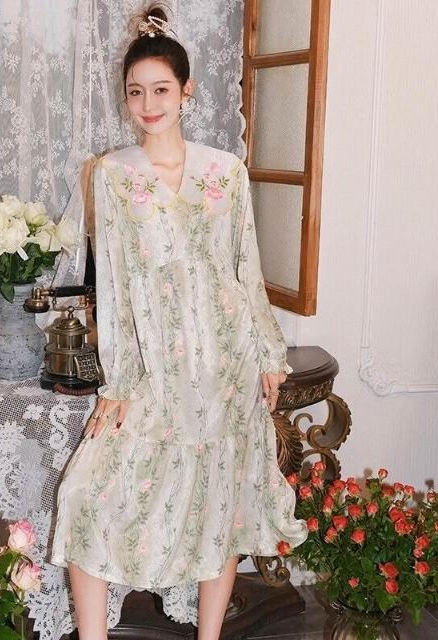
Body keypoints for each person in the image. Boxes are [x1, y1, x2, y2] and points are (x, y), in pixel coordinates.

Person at [50, 5, 307, 639]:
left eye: (160, 89)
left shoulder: (226, 171)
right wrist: (117, 381)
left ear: (187, 91)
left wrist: (269, 352)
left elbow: (247, 267)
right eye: (135, 91)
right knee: (86, 495)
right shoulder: (112, 175)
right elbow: (111, 285)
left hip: (226, 363)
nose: (147, 104)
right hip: (154, 367)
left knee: (221, 505)